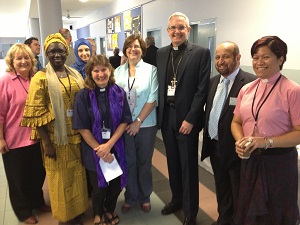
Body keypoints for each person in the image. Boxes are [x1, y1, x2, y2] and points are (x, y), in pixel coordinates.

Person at [231, 36, 300, 225]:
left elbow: (299, 132)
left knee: (275, 213)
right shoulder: (247, 89)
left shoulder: (292, 90)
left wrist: (266, 141)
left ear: (280, 59)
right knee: (248, 211)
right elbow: (236, 121)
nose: (259, 62)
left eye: (266, 57)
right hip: (250, 160)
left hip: (278, 163)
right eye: (255, 57)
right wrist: (240, 141)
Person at [20, 33, 88, 225]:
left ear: (66, 52)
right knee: (60, 179)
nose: (56, 55)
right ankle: (65, 217)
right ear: (46, 54)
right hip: (56, 139)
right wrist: (47, 143)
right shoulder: (40, 78)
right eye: (52, 52)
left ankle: (78, 211)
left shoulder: (74, 74)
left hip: (77, 135)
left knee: (77, 175)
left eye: (60, 51)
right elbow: (36, 113)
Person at [156, 12, 211, 225]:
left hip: (186, 119)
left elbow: (202, 89)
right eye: (172, 28)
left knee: (188, 166)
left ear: (188, 30)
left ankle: (190, 211)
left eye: (180, 27)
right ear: (167, 31)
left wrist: (190, 118)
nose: (176, 31)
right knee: (172, 162)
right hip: (167, 116)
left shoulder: (200, 53)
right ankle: (176, 199)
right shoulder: (161, 53)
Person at [73, 54, 132, 225]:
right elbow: (82, 128)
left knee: (115, 185)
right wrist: (100, 149)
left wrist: (109, 145)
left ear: (110, 71)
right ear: (90, 73)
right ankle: (98, 213)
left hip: (115, 146)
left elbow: (124, 121)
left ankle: (109, 209)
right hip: (93, 150)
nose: (100, 74)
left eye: (104, 70)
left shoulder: (119, 92)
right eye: (96, 71)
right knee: (99, 187)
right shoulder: (83, 96)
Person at [201, 41, 256, 225]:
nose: (220, 61)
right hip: (216, 145)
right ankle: (224, 218)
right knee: (222, 187)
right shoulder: (213, 81)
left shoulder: (249, 83)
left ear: (237, 58)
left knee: (239, 191)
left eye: (225, 56)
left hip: (236, 149)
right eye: (217, 57)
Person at [0, 43, 49, 224]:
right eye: (18, 58)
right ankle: (23, 210)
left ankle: (37, 201)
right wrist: (0, 139)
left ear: (32, 59)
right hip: (14, 140)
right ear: (11, 61)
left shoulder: (35, 79)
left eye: (26, 57)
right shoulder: (5, 81)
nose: (23, 61)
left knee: (37, 173)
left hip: (36, 138)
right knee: (18, 179)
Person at [114, 35, 158, 214]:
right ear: (125, 50)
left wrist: (138, 122)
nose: (133, 49)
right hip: (123, 126)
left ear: (143, 49)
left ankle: (145, 195)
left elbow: (153, 97)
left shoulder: (151, 70)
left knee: (144, 162)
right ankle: (131, 196)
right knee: (129, 162)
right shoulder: (117, 71)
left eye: (137, 46)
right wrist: (124, 122)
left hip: (146, 124)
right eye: (130, 46)